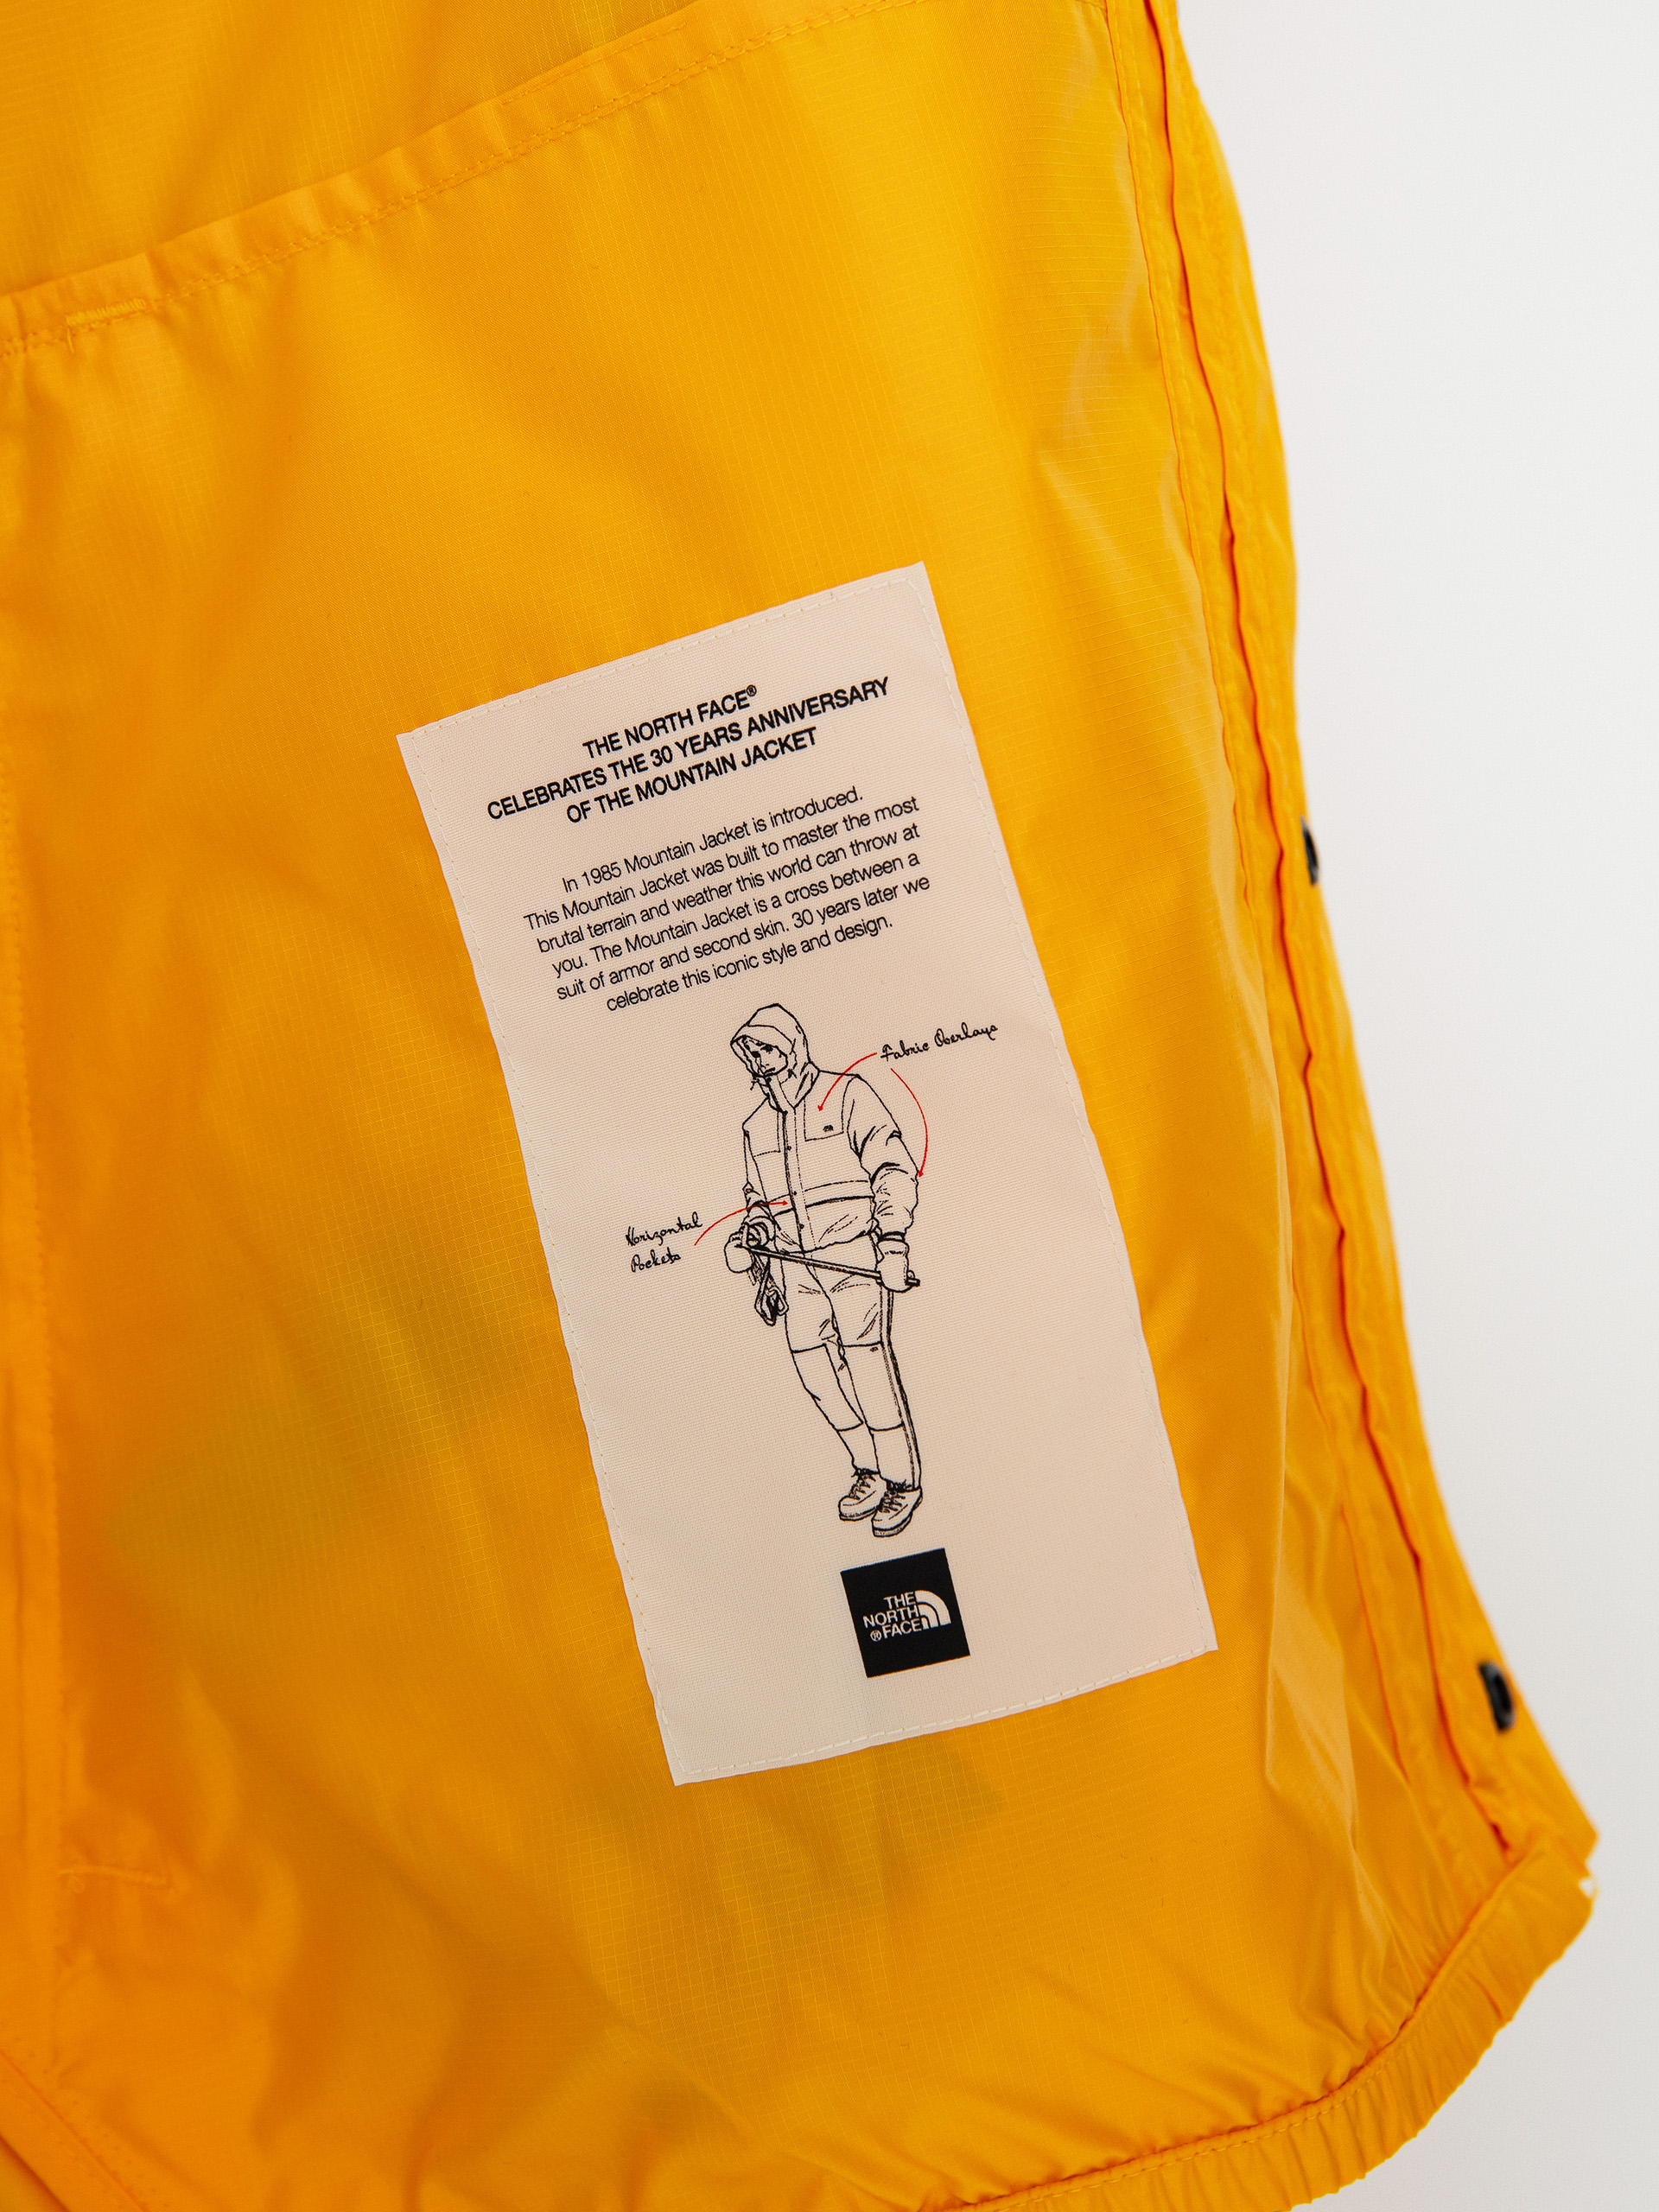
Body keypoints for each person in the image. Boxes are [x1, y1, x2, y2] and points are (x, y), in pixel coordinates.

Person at [725, 1005, 923, 1536]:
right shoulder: (755, 1126)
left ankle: (902, 1481)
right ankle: (868, 1468)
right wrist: (757, 1231)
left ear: (793, 1045)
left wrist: (893, 1243)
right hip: (794, 1269)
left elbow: (893, 1167)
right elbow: (758, 1197)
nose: (760, 1059)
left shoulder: (848, 1093)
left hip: (852, 1257)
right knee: (816, 1374)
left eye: (768, 1047)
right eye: (751, 1051)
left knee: (868, 1368)